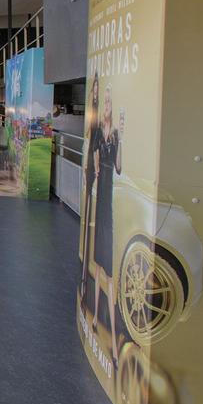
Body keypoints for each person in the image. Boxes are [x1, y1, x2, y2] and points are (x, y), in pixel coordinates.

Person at [91, 85, 124, 360]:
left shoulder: (114, 136)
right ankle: (94, 318)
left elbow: (119, 167)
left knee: (109, 268)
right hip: (101, 197)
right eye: (106, 102)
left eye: (110, 102)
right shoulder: (98, 136)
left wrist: (121, 139)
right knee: (100, 265)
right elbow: (96, 167)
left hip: (109, 199)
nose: (107, 106)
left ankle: (112, 335)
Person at [80, 74, 101, 302]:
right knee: (89, 224)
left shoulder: (103, 126)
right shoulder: (92, 122)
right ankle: (87, 282)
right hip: (92, 172)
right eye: (93, 91)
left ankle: (91, 287)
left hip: (100, 176)